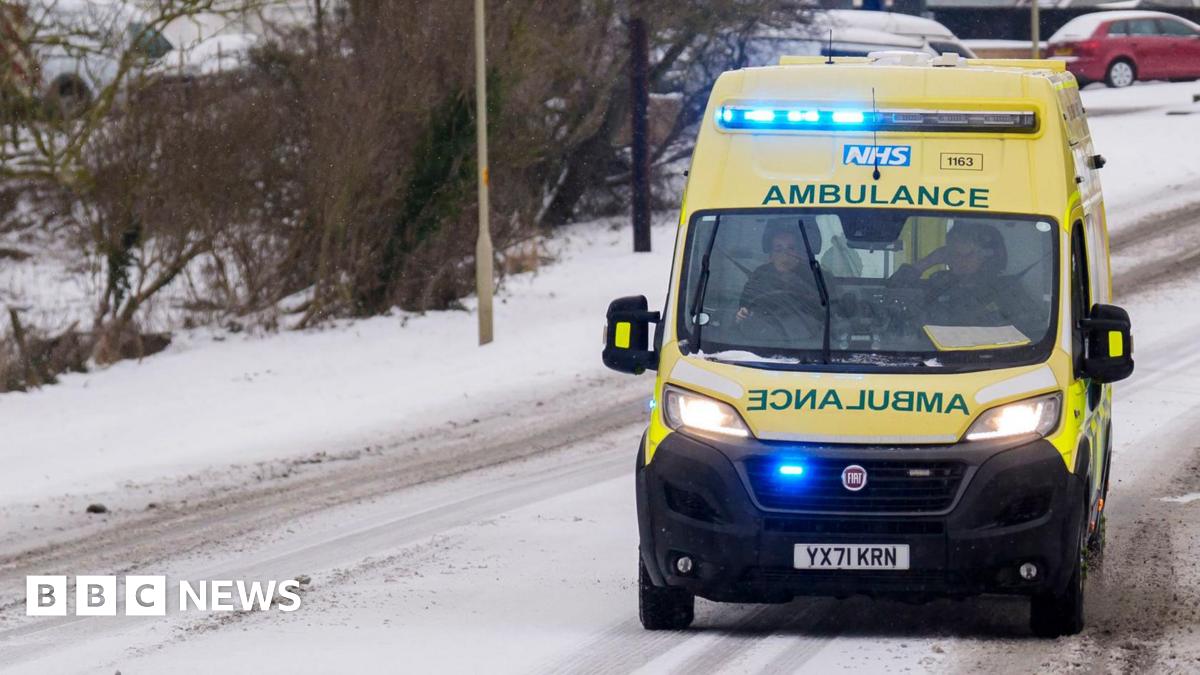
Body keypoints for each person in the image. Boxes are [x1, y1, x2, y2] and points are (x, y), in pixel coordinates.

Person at [890, 221, 1037, 334]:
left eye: (968, 255)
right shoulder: (939, 283)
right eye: (953, 254)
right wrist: (927, 261)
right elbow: (892, 292)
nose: (960, 261)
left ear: (986, 256)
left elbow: (1030, 330)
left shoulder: (1007, 290)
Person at [734, 218, 824, 334]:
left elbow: (831, 315)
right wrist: (741, 314)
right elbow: (744, 307)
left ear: (799, 253)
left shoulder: (817, 277)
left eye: (791, 248)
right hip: (763, 340)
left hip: (812, 341)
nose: (785, 255)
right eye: (778, 249)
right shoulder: (759, 277)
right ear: (770, 256)